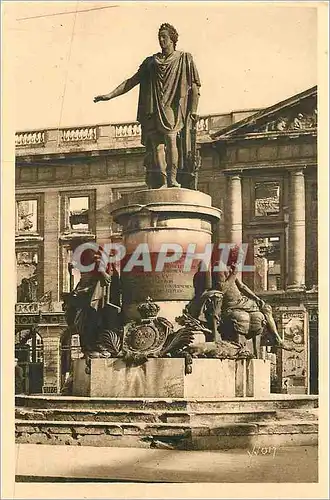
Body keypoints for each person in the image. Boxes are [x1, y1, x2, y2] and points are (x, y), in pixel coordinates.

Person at [94, 23, 201, 189]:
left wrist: (193, 110)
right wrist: (109, 95)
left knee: (171, 139)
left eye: (164, 37)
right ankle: (164, 181)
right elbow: (131, 81)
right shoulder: (151, 62)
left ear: (172, 39)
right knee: (157, 144)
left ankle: (173, 179)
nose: (161, 40)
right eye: (159, 37)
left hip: (170, 107)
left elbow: (195, 87)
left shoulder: (184, 58)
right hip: (152, 107)